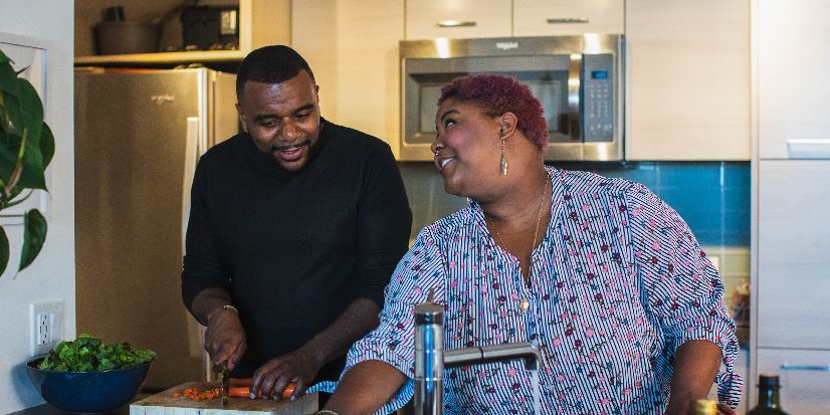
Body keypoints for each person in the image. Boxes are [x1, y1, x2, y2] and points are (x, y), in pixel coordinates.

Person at [312, 74, 742, 414]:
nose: (435, 143)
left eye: (451, 122)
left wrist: (686, 400)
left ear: (505, 126)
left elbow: (697, 316)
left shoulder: (625, 211)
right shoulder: (439, 248)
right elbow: (390, 350)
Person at [180, 45, 412, 401]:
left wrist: (310, 357)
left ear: (316, 96)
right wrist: (218, 312)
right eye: (269, 122)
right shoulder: (217, 168)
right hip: (253, 388)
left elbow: (385, 285)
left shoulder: (367, 160)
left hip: (355, 387)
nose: (289, 134)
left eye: (303, 114)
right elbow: (200, 273)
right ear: (242, 114)